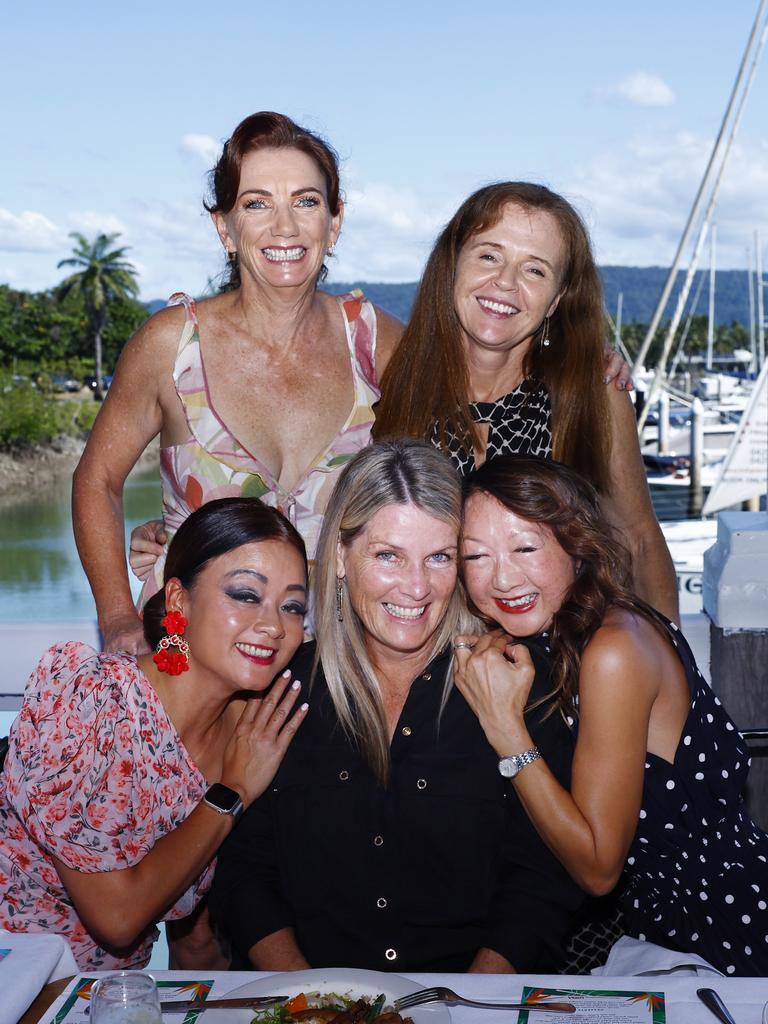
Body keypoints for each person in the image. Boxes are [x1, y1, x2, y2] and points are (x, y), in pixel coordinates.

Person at [208, 440, 585, 973]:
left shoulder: (512, 680)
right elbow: (244, 873)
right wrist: (312, 1002)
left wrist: (470, 1007)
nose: (416, 587)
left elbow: (541, 883)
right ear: (341, 557)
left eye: (439, 558)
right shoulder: (280, 686)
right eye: (388, 555)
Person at [72, 111, 403, 654]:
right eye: (256, 203)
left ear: (334, 222)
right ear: (225, 228)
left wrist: (587, 360)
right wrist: (116, 616)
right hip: (190, 663)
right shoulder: (171, 346)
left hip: (337, 668)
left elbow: (476, 405)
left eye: (306, 201)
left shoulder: (373, 339)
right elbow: (97, 480)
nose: (285, 226)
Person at [453, 455, 768, 977]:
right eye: (476, 557)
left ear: (576, 547)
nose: (503, 578)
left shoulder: (613, 650)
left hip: (728, 932)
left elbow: (599, 868)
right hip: (665, 930)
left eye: (526, 547)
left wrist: (504, 729)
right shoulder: (577, 631)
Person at [0, 498, 308, 970]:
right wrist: (234, 790)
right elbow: (118, 917)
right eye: (245, 595)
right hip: (18, 977)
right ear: (179, 600)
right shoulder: (96, 705)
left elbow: (203, 918)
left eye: (291, 606)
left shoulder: (255, 725)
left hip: (113, 992)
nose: (272, 625)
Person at [373, 182, 678, 621]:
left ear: (556, 299)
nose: (505, 282)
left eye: (535, 270)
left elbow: (637, 538)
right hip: (420, 649)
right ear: (452, 264)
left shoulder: (589, 393)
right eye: (489, 255)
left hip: (557, 657)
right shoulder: (391, 373)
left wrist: (673, 667)